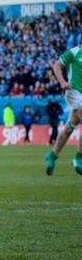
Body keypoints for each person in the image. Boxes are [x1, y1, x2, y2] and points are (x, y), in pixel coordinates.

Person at [44, 45, 82, 176]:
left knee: (69, 128)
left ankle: (52, 155)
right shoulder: (75, 52)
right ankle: (79, 158)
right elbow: (57, 65)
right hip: (74, 92)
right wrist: (62, 82)